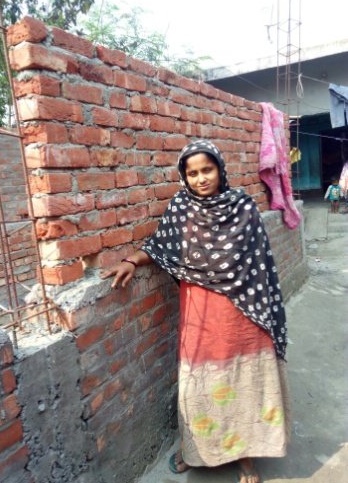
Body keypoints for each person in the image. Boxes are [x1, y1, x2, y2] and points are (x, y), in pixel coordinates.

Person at [101, 140, 291, 483]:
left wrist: (264, 312)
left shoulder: (243, 207)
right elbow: (160, 246)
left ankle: (246, 455)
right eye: (193, 173)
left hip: (242, 311)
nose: (201, 179)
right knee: (199, 383)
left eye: (207, 170)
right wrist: (131, 260)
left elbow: (262, 265)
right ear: (184, 177)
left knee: (244, 379)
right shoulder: (181, 208)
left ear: (220, 169)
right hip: (199, 312)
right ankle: (197, 450)